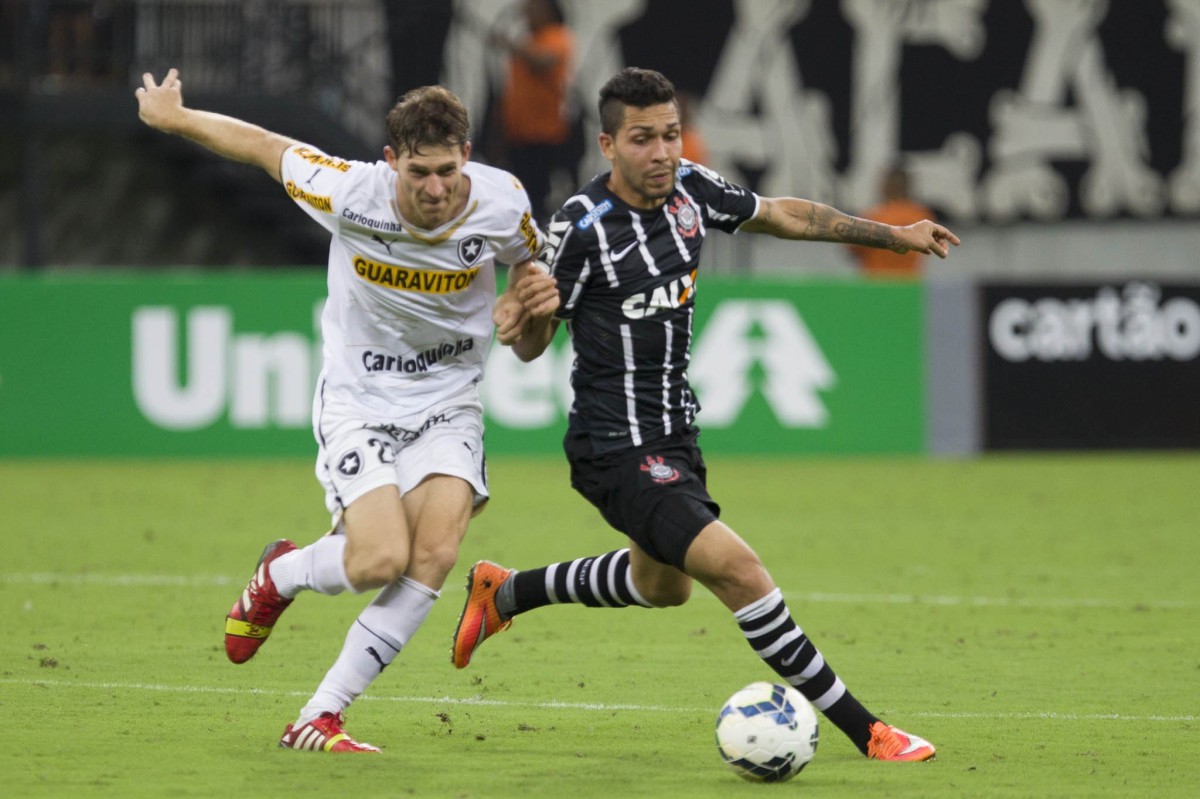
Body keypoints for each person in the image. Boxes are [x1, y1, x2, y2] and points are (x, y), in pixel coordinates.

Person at [451, 67, 959, 762]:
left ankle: (506, 591)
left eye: (669, 134)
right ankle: (868, 729)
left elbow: (780, 213)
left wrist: (893, 237)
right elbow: (535, 342)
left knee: (665, 586)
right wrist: (525, 319)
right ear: (607, 144)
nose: (661, 152)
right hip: (613, 444)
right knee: (740, 570)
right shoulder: (580, 226)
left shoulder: (692, 187)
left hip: (673, 433)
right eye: (642, 139)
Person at [135, 69, 553, 752]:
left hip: (449, 400)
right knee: (378, 560)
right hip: (359, 400)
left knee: (438, 551)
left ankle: (320, 714)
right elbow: (266, 146)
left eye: (448, 170)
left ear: (467, 156)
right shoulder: (350, 191)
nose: (436, 188)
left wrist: (530, 314)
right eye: (419, 172)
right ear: (391, 163)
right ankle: (282, 572)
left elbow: (534, 320)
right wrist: (176, 118)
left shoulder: (505, 204)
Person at [491, 0, 576, 225]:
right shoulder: (530, 42)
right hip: (519, 133)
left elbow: (543, 62)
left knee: (540, 195)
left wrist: (511, 43)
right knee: (520, 193)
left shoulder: (556, 36)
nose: (528, 14)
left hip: (545, 133)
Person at [847, 165, 937, 277]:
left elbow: (851, 249)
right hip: (909, 285)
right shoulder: (922, 216)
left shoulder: (872, 216)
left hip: (875, 284)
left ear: (884, 186)